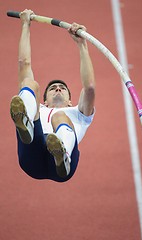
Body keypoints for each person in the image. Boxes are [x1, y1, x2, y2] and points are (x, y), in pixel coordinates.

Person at [10, 9, 96, 182]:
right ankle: (25, 122)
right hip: (31, 154)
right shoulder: (39, 109)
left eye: (62, 88)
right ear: (45, 102)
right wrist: (25, 25)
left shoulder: (78, 114)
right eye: (53, 88)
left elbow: (90, 88)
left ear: (71, 100)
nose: (57, 89)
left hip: (63, 168)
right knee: (29, 84)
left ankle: (62, 155)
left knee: (60, 117)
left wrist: (82, 45)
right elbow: (23, 64)